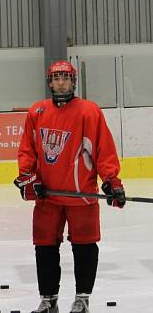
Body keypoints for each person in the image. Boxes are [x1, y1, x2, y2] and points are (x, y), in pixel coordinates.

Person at [14, 60, 125, 313]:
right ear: (49, 82)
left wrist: (112, 182)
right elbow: (27, 150)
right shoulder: (37, 112)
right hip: (47, 196)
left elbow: (103, 150)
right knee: (44, 246)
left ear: (73, 81)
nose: (60, 82)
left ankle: (82, 298)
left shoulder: (89, 111)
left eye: (65, 77)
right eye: (56, 78)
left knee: (84, 245)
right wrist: (29, 177)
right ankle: (48, 299)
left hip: (81, 195)